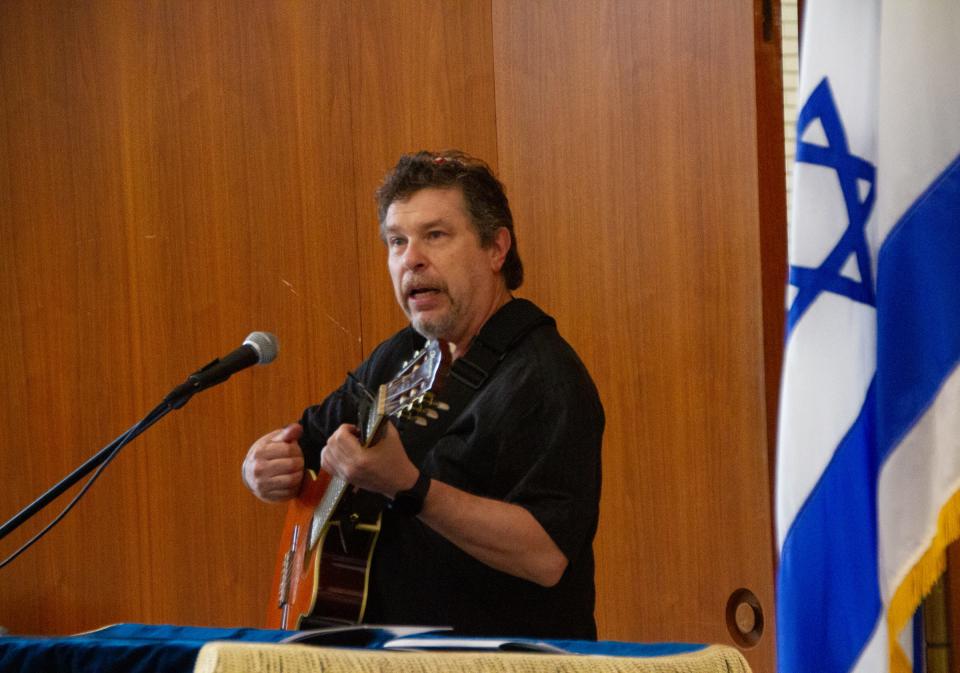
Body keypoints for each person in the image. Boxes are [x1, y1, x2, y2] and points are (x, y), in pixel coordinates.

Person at [242, 150, 604, 639]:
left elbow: (547, 557)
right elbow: (305, 440)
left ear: (497, 249)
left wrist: (410, 488)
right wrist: (264, 465)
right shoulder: (403, 355)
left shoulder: (545, 377)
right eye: (397, 241)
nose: (410, 259)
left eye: (435, 235)